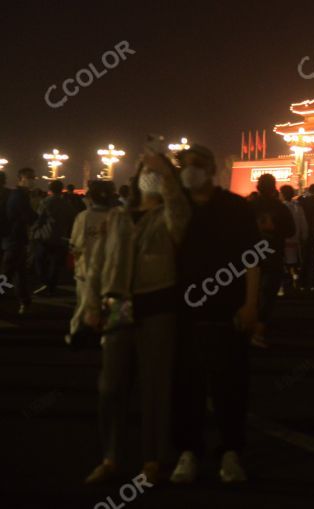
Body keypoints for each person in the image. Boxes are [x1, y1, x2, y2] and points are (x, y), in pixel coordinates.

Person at [83, 152, 190, 485]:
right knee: (110, 386)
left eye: (157, 171)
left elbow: (181, 224)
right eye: (146, 169)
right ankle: (111, 456)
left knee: (155, 386)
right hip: (117, 306)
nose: (151, 175)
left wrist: (168, 177)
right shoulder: (116, 217)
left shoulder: (170, 214)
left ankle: (152, 458)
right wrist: (90, 303)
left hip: (158, 306)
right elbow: (97, 262)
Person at [170, 144, 261, 484]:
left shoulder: (235, 207)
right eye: (185, 165)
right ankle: (188, 451)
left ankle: (231, 452)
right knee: (185, 385)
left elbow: (253, 259)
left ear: (212, 170)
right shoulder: (175, 209)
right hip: (183, 310)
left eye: (197, 165)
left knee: (231, 385)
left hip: (228, 310)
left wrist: (251, 304)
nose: (190, 170)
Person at [249, 174, 295, 345]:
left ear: (258, 187)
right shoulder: (281, 208)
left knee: (250, 292)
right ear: (274, 187)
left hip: (250, 256)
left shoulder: (249, 206)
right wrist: (274, 229)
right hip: (273, 254)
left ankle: (247, 325)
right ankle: (259, 331)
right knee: (268, 294)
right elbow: (291, 231)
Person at [69, 181, 111, 337]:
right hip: (110, 269)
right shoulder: (117, 216)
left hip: (86, 268)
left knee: (83, 303)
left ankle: (76, 334)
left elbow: (76, 244)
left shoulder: (84, 217)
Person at [2, 168, 38, 315]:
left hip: (16, 239)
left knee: (20, 273)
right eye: (28, 177)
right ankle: (24, 301)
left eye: (33, 177)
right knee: (8, 273)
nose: (31, 180)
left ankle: (25, 302)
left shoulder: (19, 195)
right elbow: (30, 217)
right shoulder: (19, 196)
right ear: (20, 178)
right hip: (15, 239)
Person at [31, 179, 76, 296]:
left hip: (46, 236)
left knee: (39, 260)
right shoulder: (67, 204)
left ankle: (45, 283)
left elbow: (39, 219)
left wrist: (34, 231)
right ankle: (51, 287)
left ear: (50, 189)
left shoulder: (46, 202)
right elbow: (72, 220)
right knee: (55, 264)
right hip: (61, 238)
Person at [280, 185, 308, 294]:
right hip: (295, 241)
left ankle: (285, 285)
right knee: (294, 263)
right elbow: (303, 224)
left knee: (284, 263)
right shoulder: (297, 207)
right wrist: (304, 236)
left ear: (282, 194)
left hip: (283, 241)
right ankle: (295, 281)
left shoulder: (281, 207)